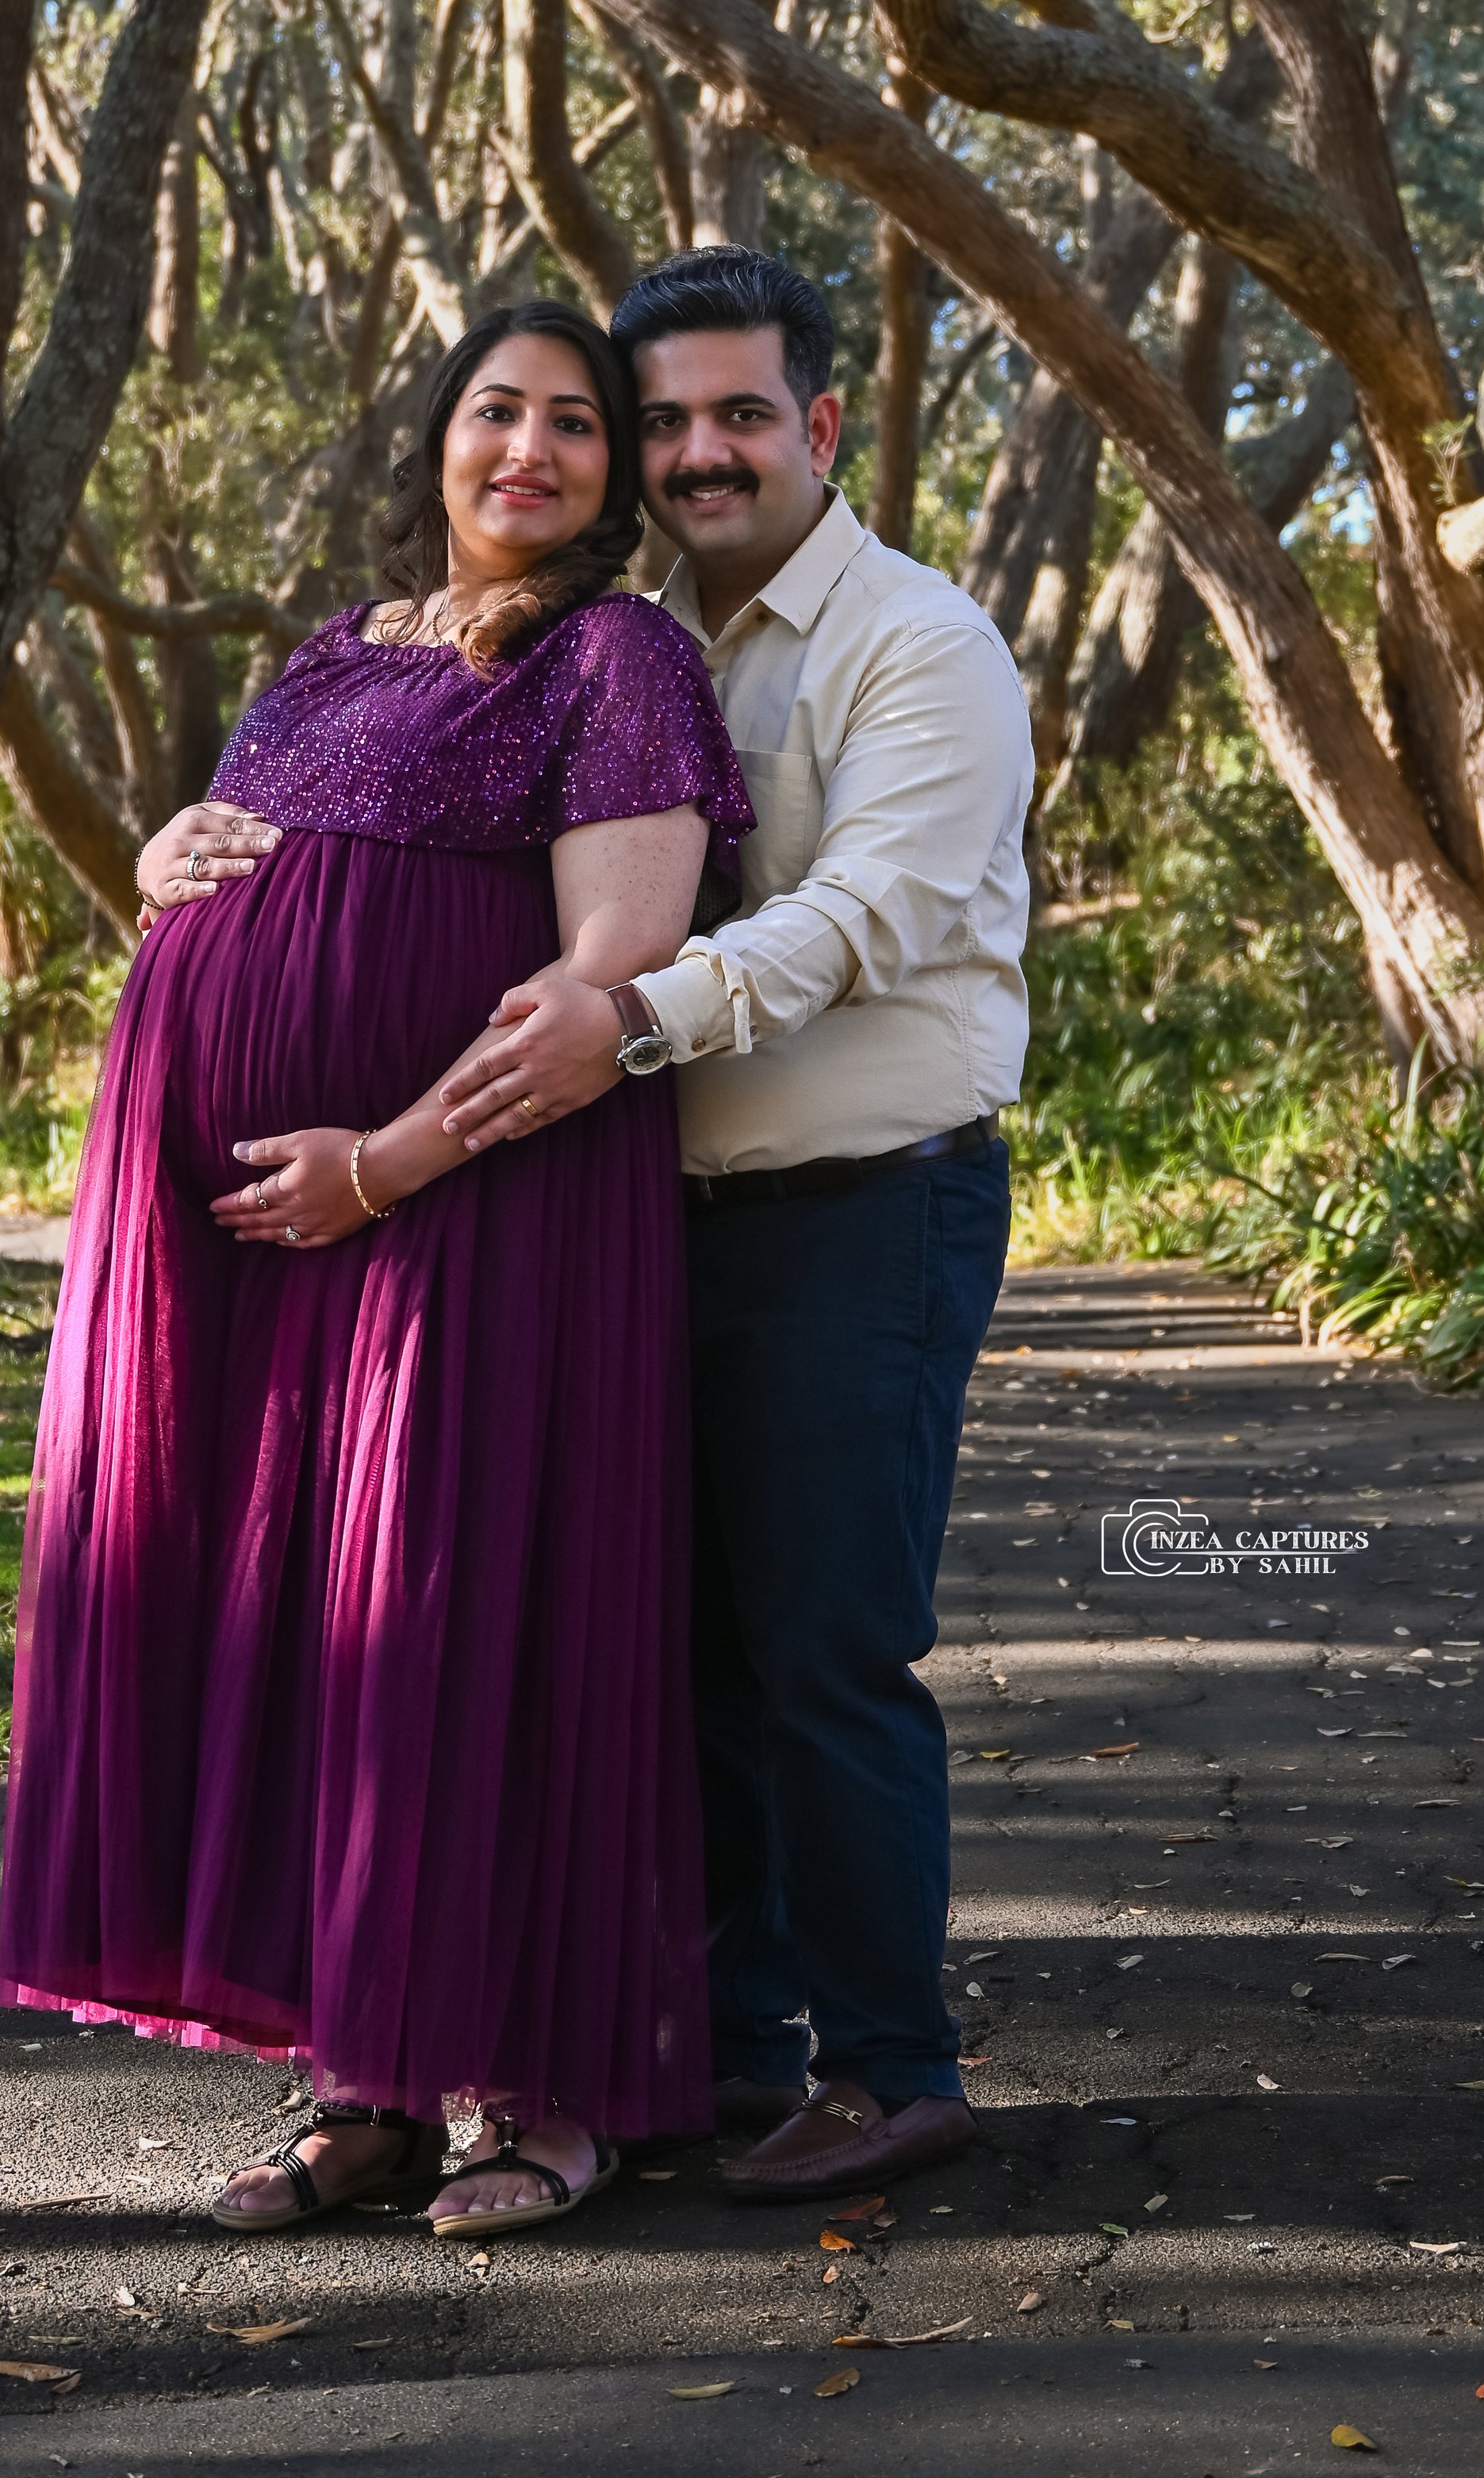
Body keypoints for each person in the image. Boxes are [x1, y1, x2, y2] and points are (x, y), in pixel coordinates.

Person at [0, 300, 753, 2239]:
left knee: (461, 1609)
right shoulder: (336, 649)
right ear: (437, 438)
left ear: (613, 471)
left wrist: (387, 1162)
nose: (530, 449)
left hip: (478, 1213)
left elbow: (601, 982)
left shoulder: (619, 652)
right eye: (495, 411)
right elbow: (247, 864)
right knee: (308, 1623)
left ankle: (544, 2090)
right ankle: (366, 2083)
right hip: (268, 1244)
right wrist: (163, 866)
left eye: (572, 423)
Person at [440, 246, 1033, 2202]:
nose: (702, 454)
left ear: (824, 424)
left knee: (822, 1652)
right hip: (639, 1225)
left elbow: (865, 913)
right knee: (675, 1649)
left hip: (866, 1212)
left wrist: (628, 1020)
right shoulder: (606, 643)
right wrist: (204, 843)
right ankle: (724, 2047)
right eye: (667, 419)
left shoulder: (913, 641)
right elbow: (419, 822)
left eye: (741, 415)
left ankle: (890, 2065)